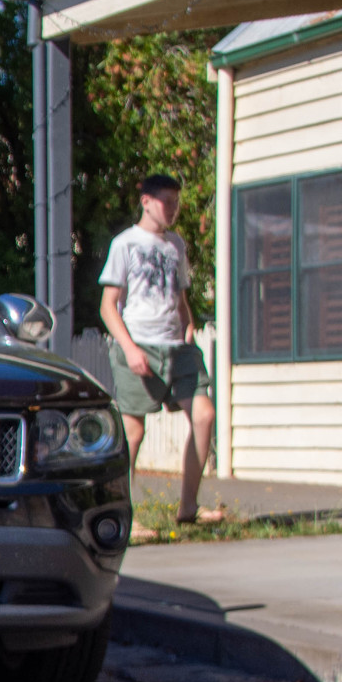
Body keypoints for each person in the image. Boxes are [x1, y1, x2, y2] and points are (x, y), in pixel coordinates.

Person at [100, 173, 219, 534]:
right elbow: (108, 306)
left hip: (178, 348)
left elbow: (179, 295)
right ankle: (124, 518)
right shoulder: (125, 244)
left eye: (176, 202)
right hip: (139, 345)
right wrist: (130, 348)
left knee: (204, 415)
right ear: (147, 201)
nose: (173, 208)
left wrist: (188, 326)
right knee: (133, 433)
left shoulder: (176, 245)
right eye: (166, 201)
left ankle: (188, 507)